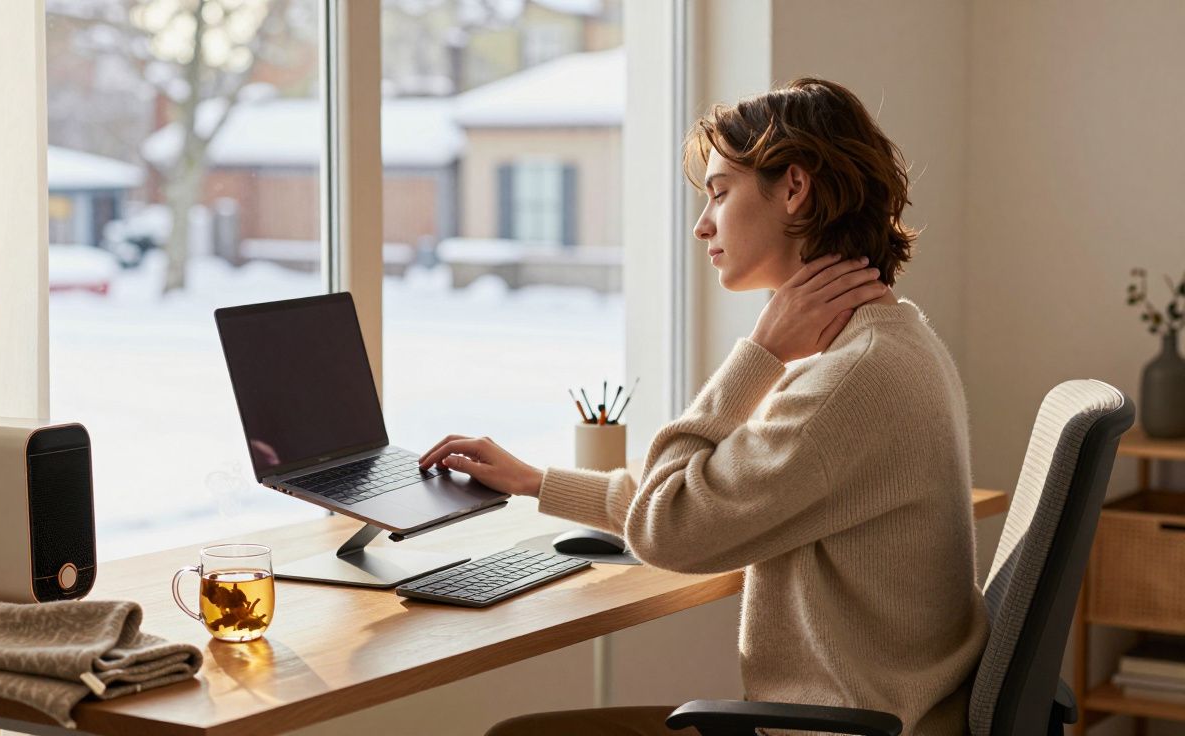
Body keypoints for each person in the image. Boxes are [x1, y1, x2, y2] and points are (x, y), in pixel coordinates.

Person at [418, 77, 989, 736]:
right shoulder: (892, 341)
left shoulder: (847, 382)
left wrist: (759, 355)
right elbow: (703, 501)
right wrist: (536, 482)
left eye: (719, 192)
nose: (702, 224)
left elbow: (669, 530)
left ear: (794, 189)